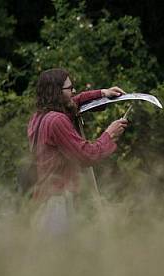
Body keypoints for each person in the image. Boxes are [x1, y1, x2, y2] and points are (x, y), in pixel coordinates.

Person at [27, 68, 128, 235]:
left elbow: (75, 100)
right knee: (62, 257)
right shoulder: (57, 120)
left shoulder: (38, 117)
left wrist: (103, 93)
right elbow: (87, 155)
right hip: (57, 203)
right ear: (56, 92)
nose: (74, 91)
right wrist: (110, 134)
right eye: (70, 88)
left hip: (43, 199)